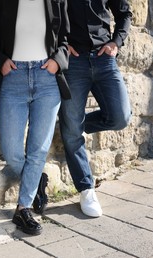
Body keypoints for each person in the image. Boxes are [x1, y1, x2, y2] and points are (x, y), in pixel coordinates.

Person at [0, 0, 70, 235]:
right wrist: (0, 62)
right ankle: (36, 179)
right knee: (11, 150)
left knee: (38, 149)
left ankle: (23, 208)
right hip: (14, 78)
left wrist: (57, 62)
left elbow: (66, 41)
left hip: (47, 80)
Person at [58, 0, 133, 217]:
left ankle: (71, 127)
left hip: (104, 58)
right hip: (74, 61)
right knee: (72, 130)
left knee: (121, 118)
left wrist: (116, 42)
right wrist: (60, 45)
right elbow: (48, 17)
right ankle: (85, 188)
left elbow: (124, 14)